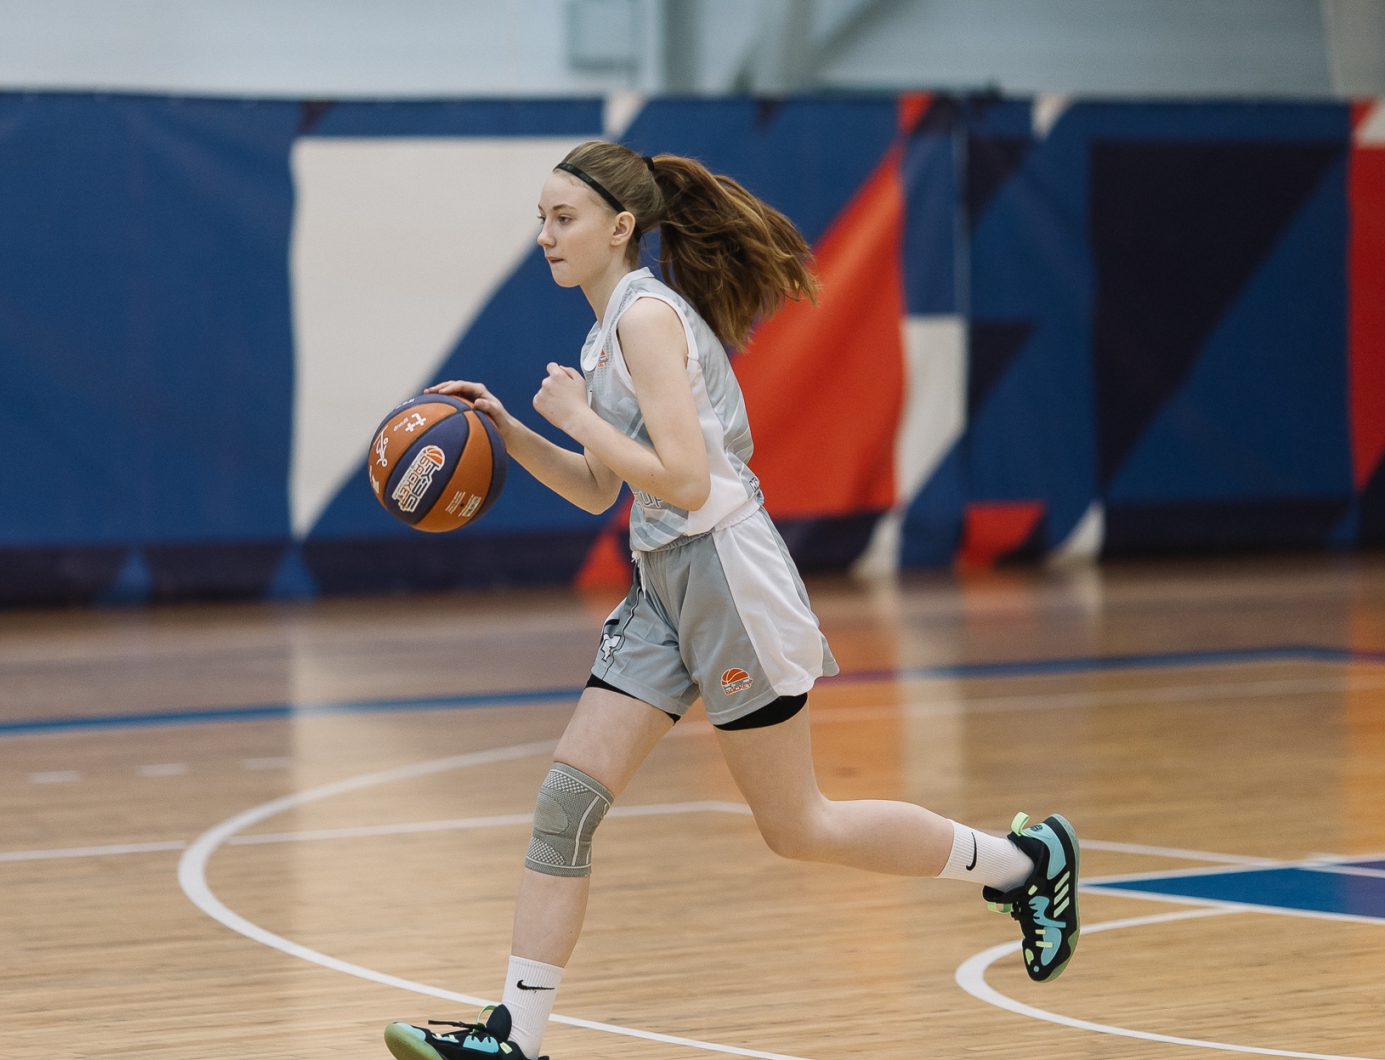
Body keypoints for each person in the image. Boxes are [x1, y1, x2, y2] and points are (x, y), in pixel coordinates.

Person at [382, 142, 1080, 1060]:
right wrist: (512, 432)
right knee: (565, 803)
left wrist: (581, 416)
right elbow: (600, 489)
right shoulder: (604, 335)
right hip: (663, 583)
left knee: (801, 826)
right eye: (540, 220)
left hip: (727, 577)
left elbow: (682, 476)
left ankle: (1026, 863)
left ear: (619, 227)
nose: (545, 236)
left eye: (563, 218)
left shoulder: (646, 319)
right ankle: (520, 1035)